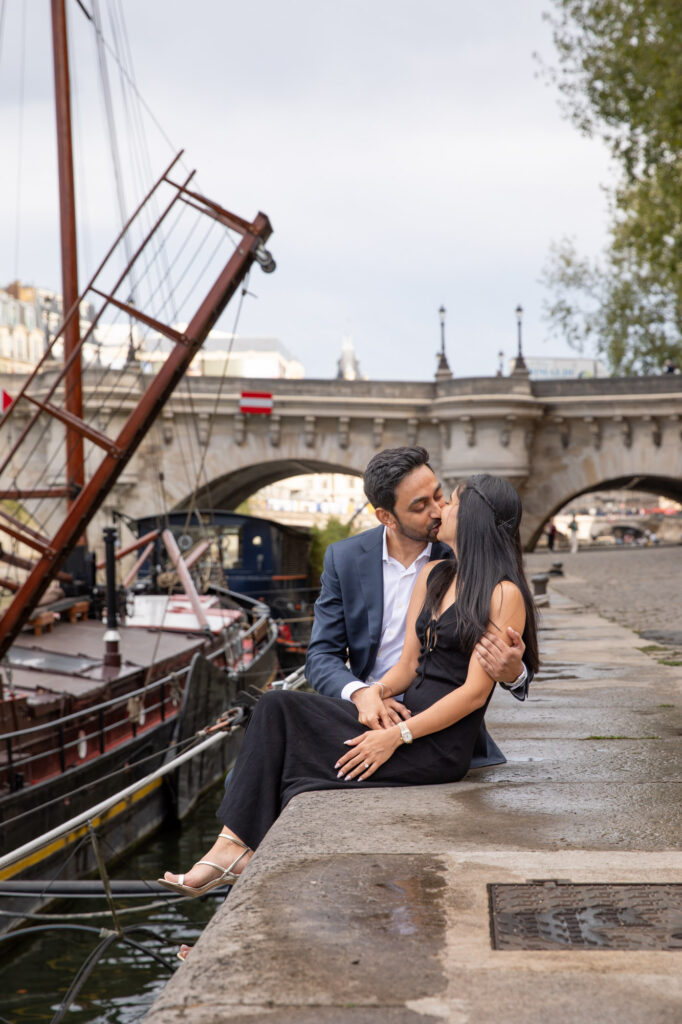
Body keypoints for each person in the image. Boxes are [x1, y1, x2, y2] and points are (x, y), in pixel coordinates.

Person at [158, 473, 539, 897]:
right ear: (386, 515)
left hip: (437, 743)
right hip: (396, 714)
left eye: (448, 501)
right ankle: (232, 850)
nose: (440, 510)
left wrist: (397, 735)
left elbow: (473, 694)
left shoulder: (503, 594)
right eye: (427, 502)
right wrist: (373, 692)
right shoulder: (434, 574)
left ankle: (235, 862)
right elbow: (408, 665)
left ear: (473, 518)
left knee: (292, 763)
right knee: (275, 705)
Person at [305, 447, 530, 768]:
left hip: (441, 729)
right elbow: (321, 656)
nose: (438, 511)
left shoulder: (465, 555)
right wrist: (363, 693)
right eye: (421, 506)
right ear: (386, 517)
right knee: (274, 720)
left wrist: (515, 674)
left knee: (283, 747)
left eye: (440, 496)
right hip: (367, 710)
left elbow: (498, 665)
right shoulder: (345, 558)